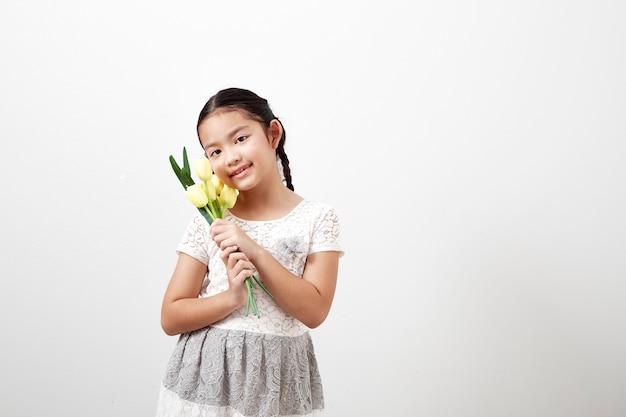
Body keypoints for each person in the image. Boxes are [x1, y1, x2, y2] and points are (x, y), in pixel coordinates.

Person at [155, 87, 343, 417]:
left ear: (273, 134)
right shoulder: (210, 220)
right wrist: (231, 298)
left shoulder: (317, 218)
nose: (230, 157)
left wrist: (254, 250)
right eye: (214, 151)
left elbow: (314, 311)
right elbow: (171, 317)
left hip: (277, 385)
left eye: (240, 139)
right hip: (205, 385)